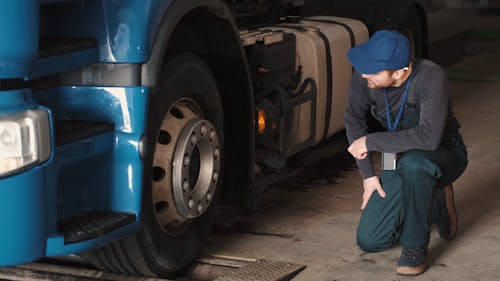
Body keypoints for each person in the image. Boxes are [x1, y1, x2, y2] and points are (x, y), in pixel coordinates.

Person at [344, 30, 468, 276]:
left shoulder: (431, 77)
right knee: (370, 240)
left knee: (415, 163)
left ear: (400, 72)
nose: (365, 74)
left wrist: (371, 141)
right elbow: (353, 119)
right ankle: (435, 203)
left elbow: (428, 138)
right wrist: (368, 176)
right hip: (397, 157)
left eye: (374, 71)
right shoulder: (364, 77)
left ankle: (415, 249)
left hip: (443, 153)